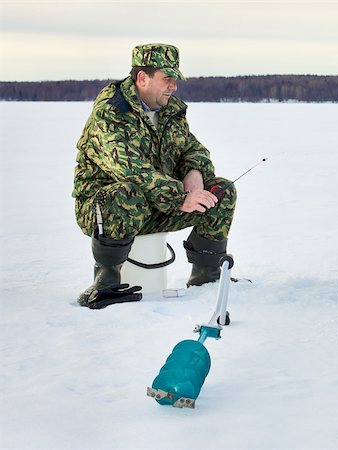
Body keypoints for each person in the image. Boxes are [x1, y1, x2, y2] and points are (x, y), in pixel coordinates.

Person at [73, 43, 237, 309]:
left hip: (157, 206)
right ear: (142, 78)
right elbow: (131, 169)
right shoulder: (111, 113)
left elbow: (193, 148)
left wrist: (195, 173)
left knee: (222, 191)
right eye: (167, 79)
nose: (173, 86)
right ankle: (105, 285)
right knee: (127, 193)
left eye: (175, 79)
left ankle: (207, 277)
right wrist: (179, 198)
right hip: (107, 212)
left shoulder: (171, 111)